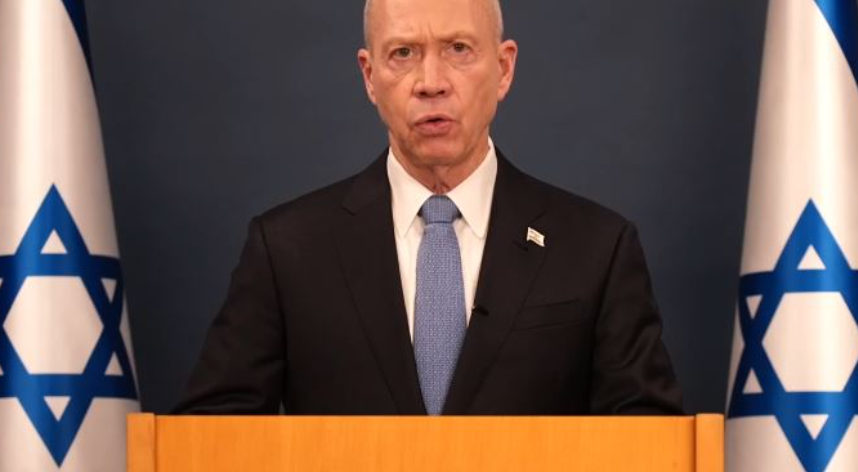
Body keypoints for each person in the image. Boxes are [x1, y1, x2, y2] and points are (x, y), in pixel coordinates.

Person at [174, 0, 683, 416]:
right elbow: (209, 438)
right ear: (369, 76)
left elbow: (648, 440)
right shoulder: (287, 250)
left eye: (458, 49)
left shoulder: (597, 248)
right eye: (403, 53)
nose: (431, 81)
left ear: (503, 69)